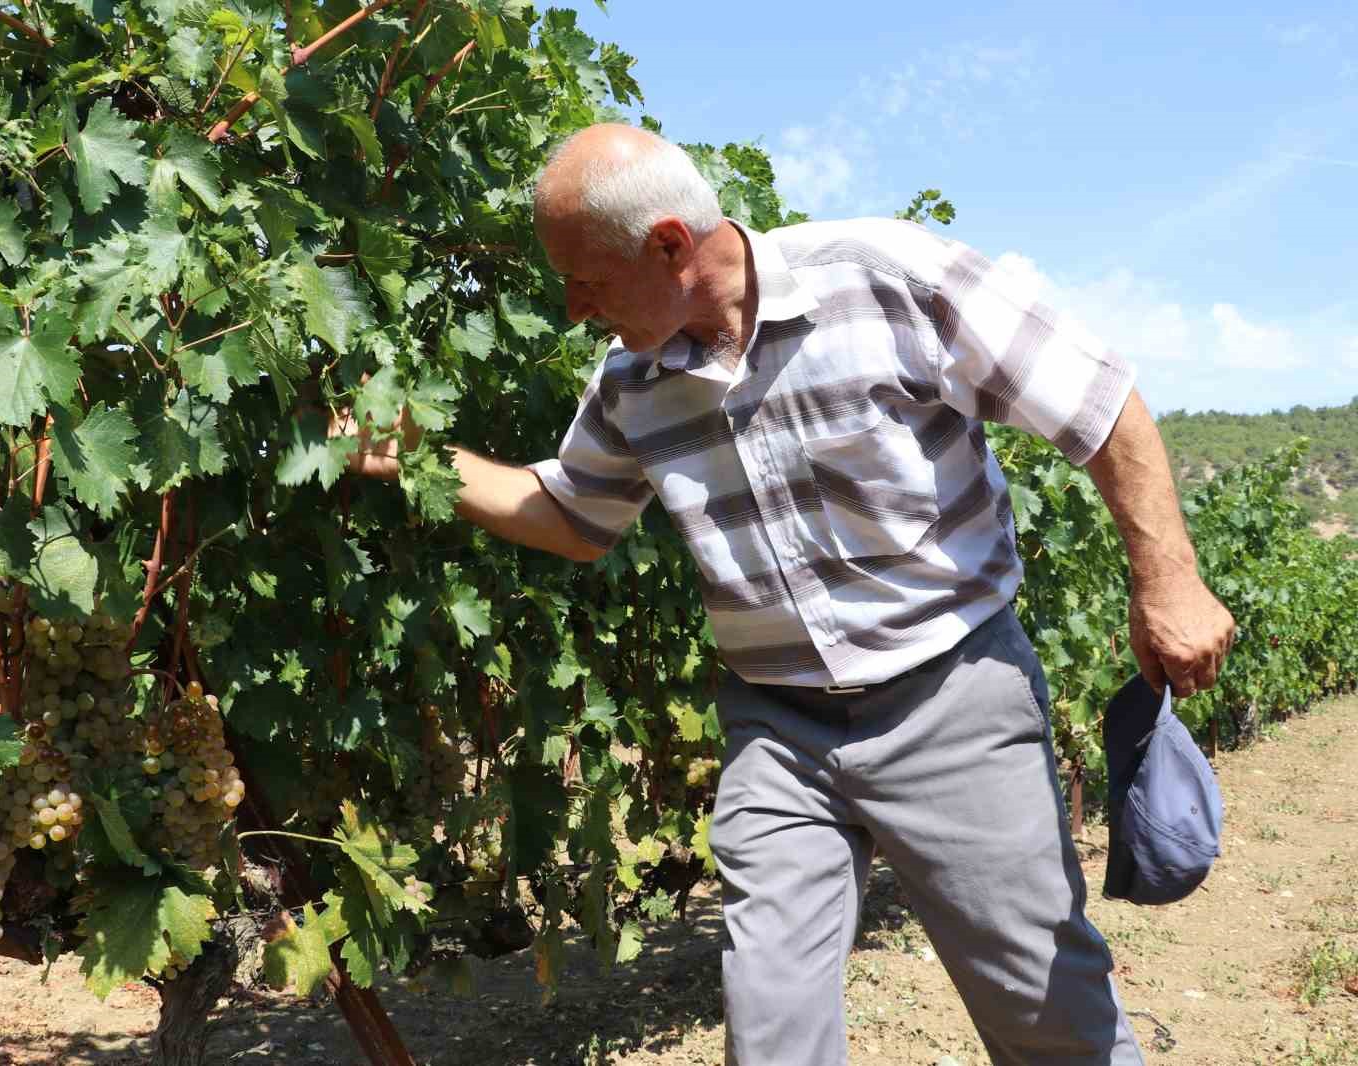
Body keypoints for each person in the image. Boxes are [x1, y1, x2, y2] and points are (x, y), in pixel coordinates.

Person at [343, 123, 1235, 1065]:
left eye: (587, 281)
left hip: (951, 699)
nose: (572, 307)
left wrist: (1167, 577)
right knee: (770, 1034)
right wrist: (419, 460)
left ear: (671, 245)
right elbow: (571, 515)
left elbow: (1098, 404)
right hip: (777, 730)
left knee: (1047, 1020)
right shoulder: (631, 383)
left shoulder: (888, 277)